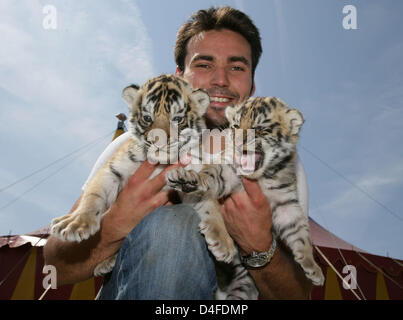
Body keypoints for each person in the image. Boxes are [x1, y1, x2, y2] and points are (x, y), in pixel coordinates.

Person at [43, 6, 312, 299]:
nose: (221, 80)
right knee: (176, 227)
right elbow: (56, 265)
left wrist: (260, 247)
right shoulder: (133, 144)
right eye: (204, 64)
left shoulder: (279, 159)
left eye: (237, 67)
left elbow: (298, 295)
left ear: (252, 83)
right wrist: (115, 224)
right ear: (180, 77)